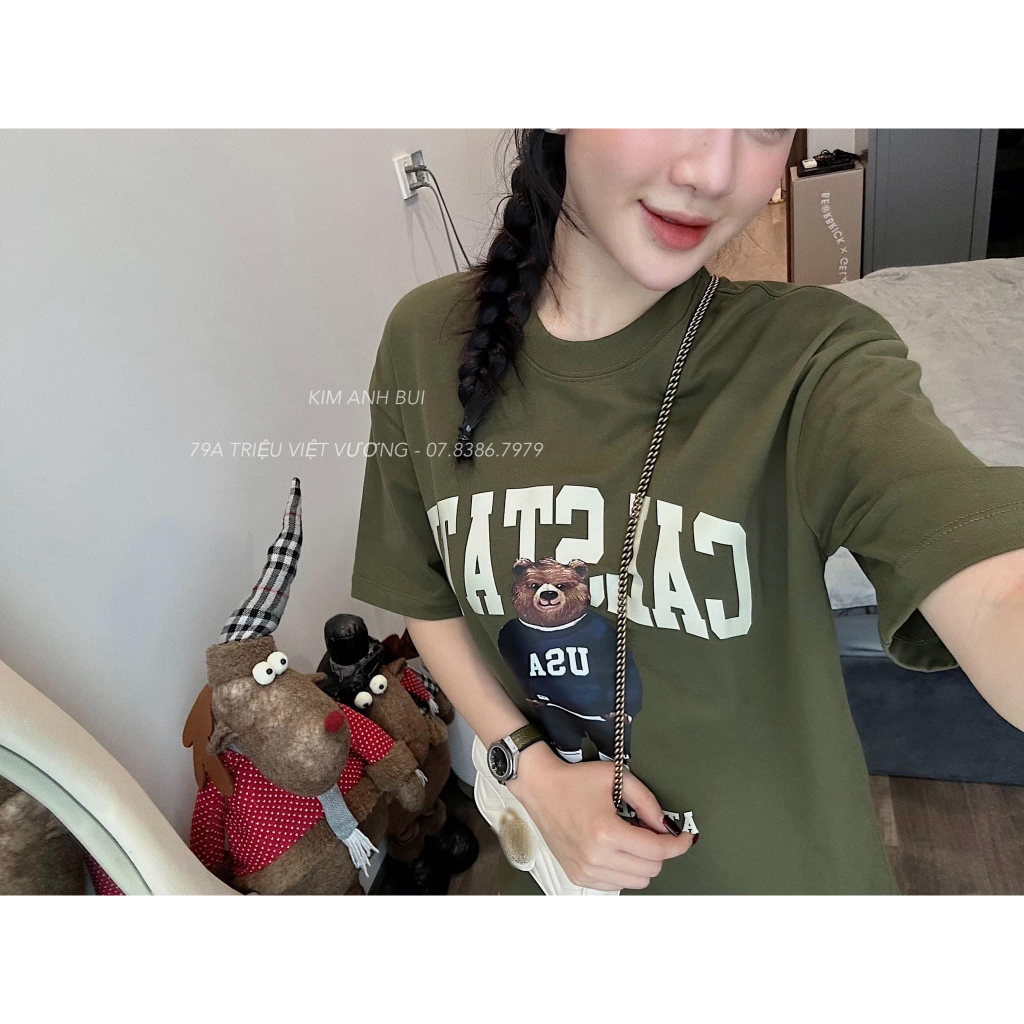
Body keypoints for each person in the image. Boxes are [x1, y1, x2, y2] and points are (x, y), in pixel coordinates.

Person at [350, 129, 1024, 894]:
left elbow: (992, 586)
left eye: (764, 119)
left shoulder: (815, 359)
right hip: (561, 874)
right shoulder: (424, 340)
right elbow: (424, 593)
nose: (713, 172)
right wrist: (528, 768)